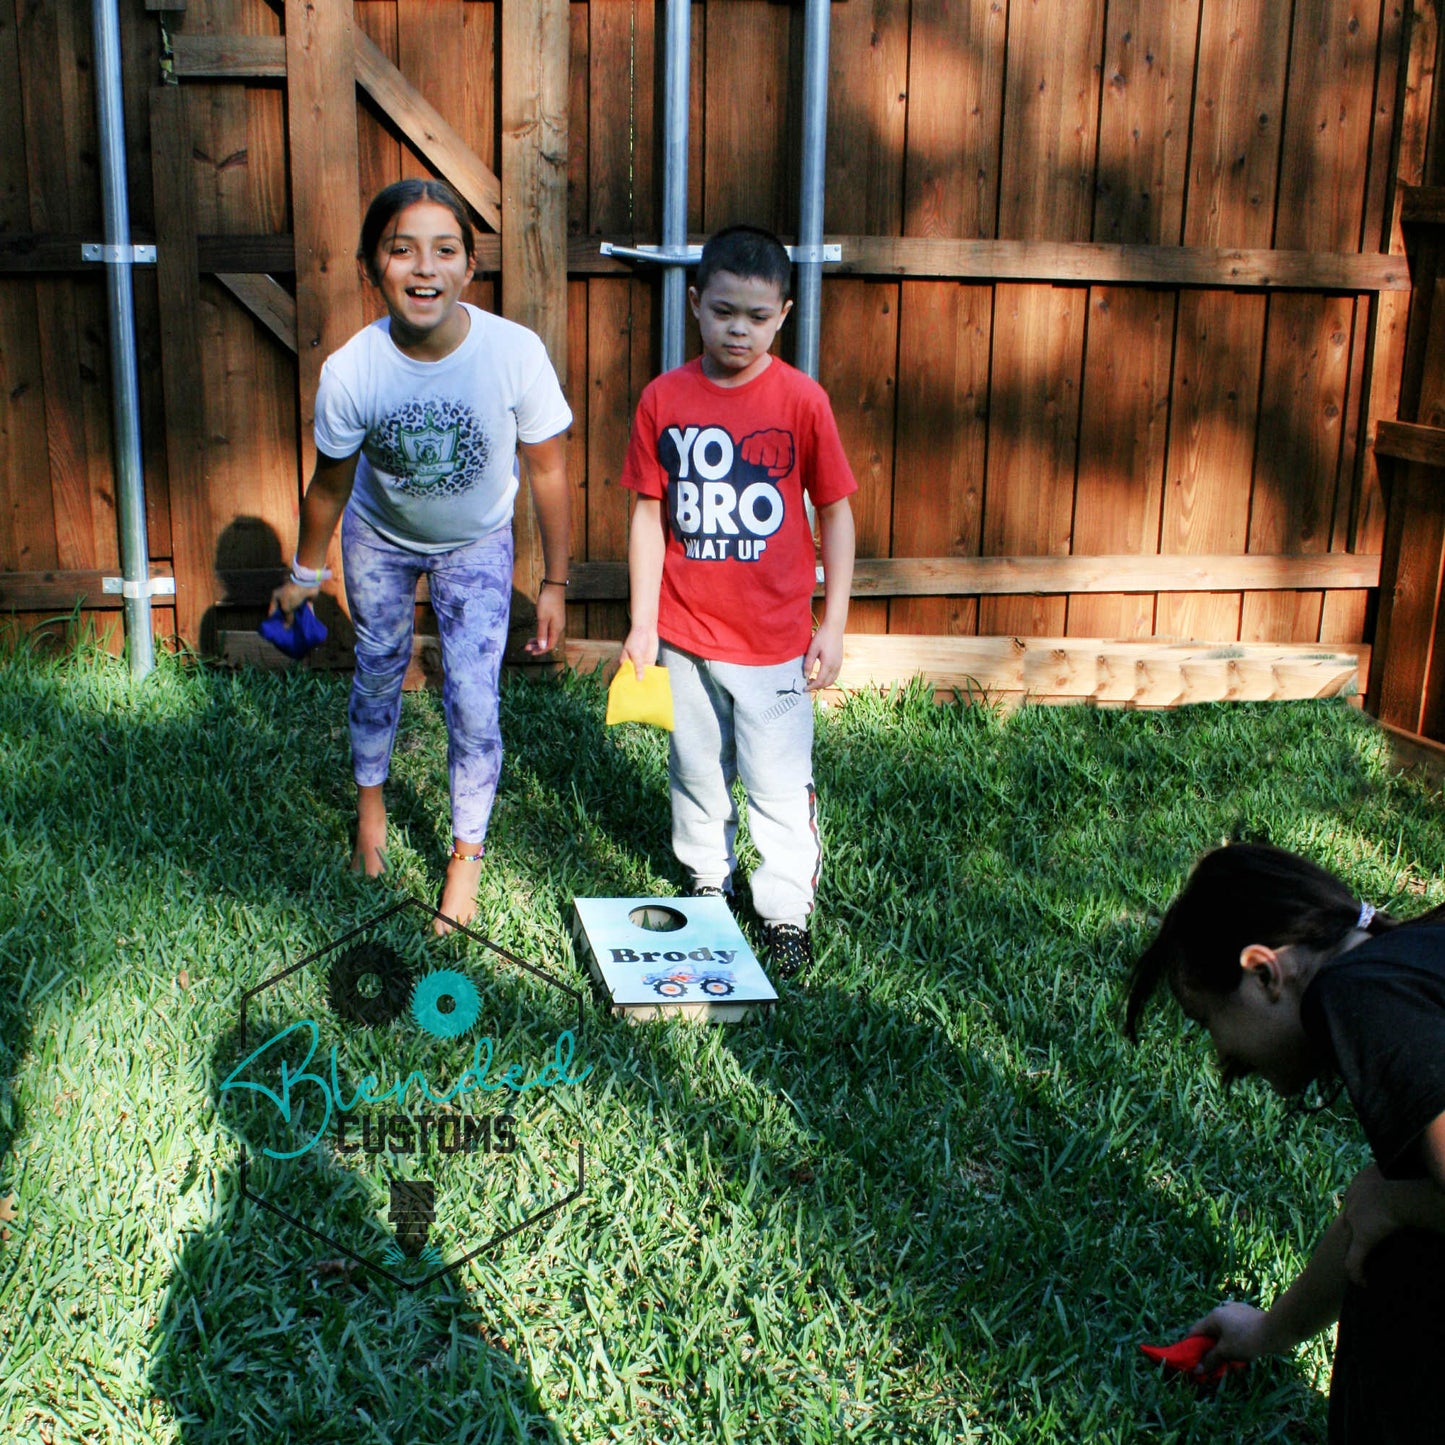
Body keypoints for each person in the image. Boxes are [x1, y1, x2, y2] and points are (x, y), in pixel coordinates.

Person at [270, 179, 572, 935]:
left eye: (444, 249)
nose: (423, 268)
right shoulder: (352, 370)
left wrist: (557, 580)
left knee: (473, 698)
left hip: (476, 543)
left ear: (471, 266)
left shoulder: (514, 353)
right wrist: (305, 576)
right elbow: (329, 485)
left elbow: (548, 472)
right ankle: (370, 805)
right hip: (377, 536)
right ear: (373, 267)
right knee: (377, 668)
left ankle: (464, 856)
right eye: (401, 249)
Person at [1125, 842, 1445, 1441]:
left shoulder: (1362, 997)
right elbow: (1370, 1216)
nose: (1222, 1055)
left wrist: (1396, 1204)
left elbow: (1386, 1208)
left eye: (1208, 1021)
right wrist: (1266, 1331)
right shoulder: (1410, 958)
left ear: (1263, 972)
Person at [616, 225, 857, 979]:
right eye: (723, 312)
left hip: (775, 640)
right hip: (684, 633)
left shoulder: (801, 400)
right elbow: (647, 515)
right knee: (694, 766)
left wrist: (835, 621)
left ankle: (784, 909)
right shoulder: (664, 398)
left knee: (778, 783)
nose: (738, 330)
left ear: (783, 314)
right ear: (694, 304)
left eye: (756, 317)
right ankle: (705, 881)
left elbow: (836, 511)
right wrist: (642, 622)